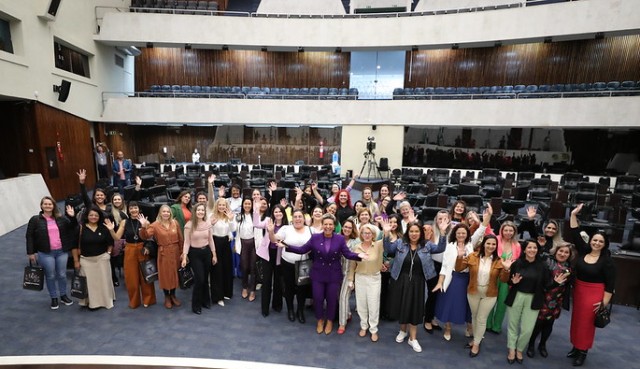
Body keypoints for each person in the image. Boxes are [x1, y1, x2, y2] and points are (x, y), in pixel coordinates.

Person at [277, 214, 366, 335]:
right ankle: (320, 320)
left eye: (330, 224)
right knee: (318, 299)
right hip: (318, 274)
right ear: (322, 225)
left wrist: (358, 256)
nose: (328, 226)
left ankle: (329, 321)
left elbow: (347, 254)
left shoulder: (339, 239)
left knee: (331, 299)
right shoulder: (315, 237)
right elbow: (303, 249)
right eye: (326, 224)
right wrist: (287, 246)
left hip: (333, 274)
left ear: (334, 226)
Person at [383, 217, 450, 353]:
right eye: (411, 231)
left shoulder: (427, 245)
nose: (414, 234)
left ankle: (413, 338)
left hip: (418, 282)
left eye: (417, 231)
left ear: (421, 233)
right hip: (400, 280)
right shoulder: (401, 243)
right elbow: (388, 249)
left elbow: (441, 248)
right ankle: (402, 331)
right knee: (402, 306)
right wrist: (386, 234)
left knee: (415, 308)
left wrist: (443, 233)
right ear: (408, 233)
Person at [567, 204, 616, 366]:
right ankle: (575, 346)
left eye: (600, 241)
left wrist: (603, 304)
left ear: (605, 244)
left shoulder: (607, 261)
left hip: (594, 294)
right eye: (595, 240)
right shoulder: (584, 250)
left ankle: (583, 351)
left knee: (587, 323)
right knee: (576, 320)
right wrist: (573, 214)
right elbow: (575, 232)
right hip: (579, 290)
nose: (596, 243)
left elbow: (610, 284)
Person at [433, 207, 490, 342]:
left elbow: (481, 229)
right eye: (458, 233)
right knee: (449, 303)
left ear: (467, 234)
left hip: (467, 279)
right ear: (455, 234)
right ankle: (447, 328)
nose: (461, 235)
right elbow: (445, 266)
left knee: (467, 305)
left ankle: (469, 328)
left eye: (463, 233)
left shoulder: (470, 244)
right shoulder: (450, 246)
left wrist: (487, 218)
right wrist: (440, 281)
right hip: (453, 278)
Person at [505, 239, 566, 364]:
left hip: (534, 299)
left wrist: (555, 283)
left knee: (527, 328)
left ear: (538, 250)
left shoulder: (542, 266)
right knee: (512, 325)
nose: (532, 250)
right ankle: (511, 349)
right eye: (529, 247)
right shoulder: (517, 263)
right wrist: (513, 282)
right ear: (525, 249)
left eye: (535, 248)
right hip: (517, 296)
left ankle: (520, 349)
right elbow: (510, 280)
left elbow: (546, 285)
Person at [455, 235, 512, 357]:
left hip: (489, 294)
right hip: (473, 291)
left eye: (493, 244)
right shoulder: (473, 256)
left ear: (496, 246)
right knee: (474, 316)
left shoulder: (499, 260)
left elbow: (503, 279)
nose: (491, 246)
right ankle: (477, 339)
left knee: (481, 319)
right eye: (488, 243)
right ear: (483, 244)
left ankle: (476, 344)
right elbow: (458, 268)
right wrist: (460, 256)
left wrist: (506, 270)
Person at [26, 197, 77, 310]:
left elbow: (73, 228)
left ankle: (63, 295)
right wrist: (30, 252)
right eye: (45, 204)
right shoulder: (35, 220)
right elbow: (29, 236)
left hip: (61, 251)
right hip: (45, 252)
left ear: (53, 206)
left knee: (62, 275)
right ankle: (54, 297)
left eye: (50, 204)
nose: (48, 206)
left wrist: (72, 217)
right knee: (51, 275)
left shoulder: (61, 218)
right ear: (41, 206)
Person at [527, 242, 574, 359]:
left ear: (570, 255)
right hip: (543, 297)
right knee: (538, 324)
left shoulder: (569, 268)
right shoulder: (546, 262)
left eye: (566, 252)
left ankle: (542, 345)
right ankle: (531, 345)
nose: (563, 254)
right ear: (556, 251)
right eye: (561, 251)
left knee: (549, 324)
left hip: (557, 300)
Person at [107, 201, 157, 309]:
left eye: (136, 208)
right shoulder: (124, 222)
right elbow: (117, 237)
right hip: (129, 249)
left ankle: (148, 299)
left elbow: (149, 238)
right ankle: (134, 301)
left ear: (139, 209)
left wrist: (144, 226)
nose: (134, 210)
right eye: (131, 208)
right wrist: (111, 230)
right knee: (131, 278)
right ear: (128, 210)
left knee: (145, 276)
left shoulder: (145, 221)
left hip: (142, 249)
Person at [140, 203, 184, 309]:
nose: (166, 213)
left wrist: (183, 253)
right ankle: (167, 297)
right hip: (164, 253)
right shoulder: (155, 225)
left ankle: (173, 294)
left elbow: (181, 239)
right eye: (164, 211)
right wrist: (143, 227)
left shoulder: (175, 223)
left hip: (176, 252)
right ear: (160, 213)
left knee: (174, 274)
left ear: (170, 213)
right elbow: (145, 236)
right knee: (165, 276)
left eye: (168, 211)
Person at [72, 206, 115, 310]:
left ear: (99, 217)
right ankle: (92, 303)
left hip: (102, 259)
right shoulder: (80, 228)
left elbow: (110, 243)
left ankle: (105, 301)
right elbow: (74, 246)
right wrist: (76, 261)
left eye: (96, 215)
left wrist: (108, 254)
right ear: (87, 216)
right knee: (90, 283)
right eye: (91, 215)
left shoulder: (104, 227)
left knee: (103, 281)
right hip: (86, 260)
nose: (93, 217)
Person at [348, 223, 384, 342]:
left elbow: (388, 240)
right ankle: (364, 326)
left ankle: (373, 329)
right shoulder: (356, 247)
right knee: (361, 304)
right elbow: (352, 265)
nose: (367, 235)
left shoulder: (378, 245)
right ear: (361, 234)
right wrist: (350, 279)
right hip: (360, 278)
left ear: (373, 234)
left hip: (374, 278)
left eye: (369, 233)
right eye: (364, 233)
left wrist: (386, 230)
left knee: (373, 304)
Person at [181, 202, 217, 314]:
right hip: (194, 254)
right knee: (199, 279)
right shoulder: (189, 225)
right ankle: (195, 305)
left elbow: (211, 240)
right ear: (194, 212)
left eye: (202, 210)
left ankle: (205, 301)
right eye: (198, 210)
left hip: (206, 252)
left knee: (205, 278)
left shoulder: (207, 224)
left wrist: (214, 254)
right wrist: (184, 256)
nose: (200, 212)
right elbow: (186, 242)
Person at [486, 220, 522, 334]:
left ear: (514, 232)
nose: (508, 232)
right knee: (490, 299)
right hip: (493, 274)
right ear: (501, 230)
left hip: (507, 277)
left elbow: (517, 262)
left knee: (502, 302)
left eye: (511, 230)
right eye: (505, 230)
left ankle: (497, 326)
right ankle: (487, 324)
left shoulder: (517, 245)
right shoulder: (495, 240)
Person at [255, 204, 288, 318]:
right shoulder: (268, 221)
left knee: (278, 282)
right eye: (275, 212)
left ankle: (277, 305)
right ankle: (265, 308)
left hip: (279, 256)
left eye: (280, 211)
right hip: (267, 255)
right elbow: (256, 224)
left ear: (283, 213)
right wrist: (256, 208)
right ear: (272, 213)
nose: (278, 213)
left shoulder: (286, 227)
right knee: (267, 282)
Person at [209, 197, 237, 305]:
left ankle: (227, 293)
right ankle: (218, 296)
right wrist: (211, 224)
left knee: (227, 268)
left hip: (226, 243)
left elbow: (233, 229)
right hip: (215, 243)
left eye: (223, 205)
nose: (221, 207)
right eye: (220, 205)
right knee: (217, 270)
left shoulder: (229, 216)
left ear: (226, 206)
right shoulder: (212, 217)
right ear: (217, 206)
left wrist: (230, 220)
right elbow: (209, 232)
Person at [337, 218, 359, 334]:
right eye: (345, 227)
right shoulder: (337, 239)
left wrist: (353, 279)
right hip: (336, 274)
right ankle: (348, 314)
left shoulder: (356, 242)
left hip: (349, 274)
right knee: (338, 296)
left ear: (353, 229)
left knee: (343, 297)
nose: (347, 229)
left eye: (349, 227)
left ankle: (342, 324)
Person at [237, 197, 258, 301]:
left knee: (253, 268)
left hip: (253, 244)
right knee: (244, 267)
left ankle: (253, 290)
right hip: (243, 244)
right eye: (245, 204)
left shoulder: (255, 216)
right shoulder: (239, 216)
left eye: (249, 204)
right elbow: (233, 228)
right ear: (242, 205)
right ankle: (245, 287)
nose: (247, 206)